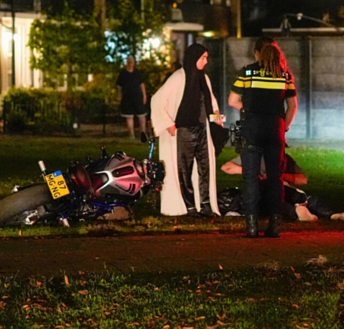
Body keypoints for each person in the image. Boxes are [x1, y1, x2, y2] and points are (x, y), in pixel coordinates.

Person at [228, 38, 297, 238]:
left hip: (252, 128)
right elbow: (292, 105)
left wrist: (249, 110)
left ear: (257, 52)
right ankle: (274, 226)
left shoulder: (247, 72)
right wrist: (284, 126)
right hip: (275, 129)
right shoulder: (285, 74)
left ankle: (251, 227)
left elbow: (233, 101)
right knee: (275, 177)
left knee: (250, 178)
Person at [150, 43, 221, 216]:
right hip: (184, 131)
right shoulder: (178, 78)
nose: (206, 61)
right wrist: (169, 124)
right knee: (184, 170)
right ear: (194, 58)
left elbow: (210, 104)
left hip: (202, 130)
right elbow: (158, 100)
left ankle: (205, 204)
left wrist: (216, 119)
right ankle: (188, 206)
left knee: (205, 168)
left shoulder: (204, 78)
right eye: (203, 58)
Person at [219, 154, 344, 222]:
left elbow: (302, 179)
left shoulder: (284, 159)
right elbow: (226, 167)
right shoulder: (253, 157)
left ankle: (335, 215)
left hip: (287, 190)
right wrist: (253, 173)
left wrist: (281, 176)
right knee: (274, 201)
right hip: (267, 192)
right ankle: (298, 211)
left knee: (310, 199)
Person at [116, 55, 148, 138]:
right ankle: (131, 134)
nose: (131, 63)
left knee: (141, 115)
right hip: (127, 97)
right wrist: (120, 96)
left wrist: (144, 95)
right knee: (129, 116)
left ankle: (143, 133)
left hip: (137, 96)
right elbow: (119, 86)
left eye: (132, 61)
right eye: (129, 61)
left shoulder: (137, 73)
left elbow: (142, 84)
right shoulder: (123, 74)